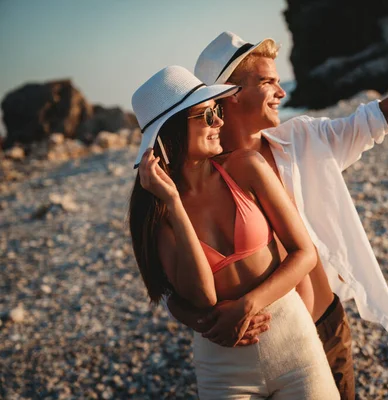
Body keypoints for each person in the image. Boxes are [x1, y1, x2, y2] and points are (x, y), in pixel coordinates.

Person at [168, 26, 388, 399]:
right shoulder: (195, 181)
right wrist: (204, 323)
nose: (282, 92)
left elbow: (382, 115)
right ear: (231, 95)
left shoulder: (304, 140)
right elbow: (167, 279)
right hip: (245, 357)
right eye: (268, 82)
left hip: (324, 331)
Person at [128, 65, 339, 399]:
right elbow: (202, 298)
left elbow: (305, 253)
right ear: (172, 131)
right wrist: (174, 204)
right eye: (206, 115)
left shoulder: (246, 167)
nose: (219, 122)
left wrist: (248, 305)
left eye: (217, 111)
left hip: (293, 345)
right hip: (223, 366)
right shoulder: (158, 212)